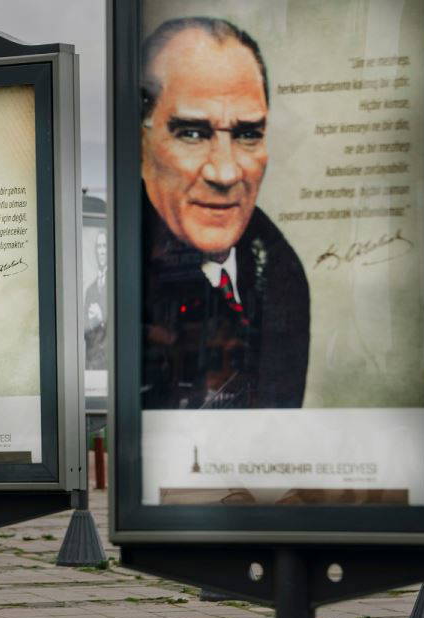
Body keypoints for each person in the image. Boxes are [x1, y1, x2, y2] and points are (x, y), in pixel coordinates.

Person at [141, 16, 310, 410]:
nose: (225, 172)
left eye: (247, 134)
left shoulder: (280, 273)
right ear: (140, 141)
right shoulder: (126, 274)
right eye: (192, 133)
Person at [83, 231, 108, 371]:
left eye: (105, 246)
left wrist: (101, 318)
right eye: (99, 247)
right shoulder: (90, 290)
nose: (102, 251)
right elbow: (85, 329)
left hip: (112, 361)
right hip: (93, 363)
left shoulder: (117, 283)